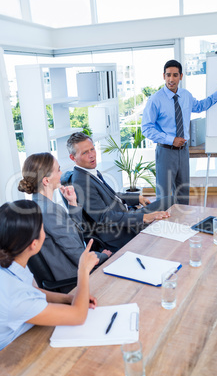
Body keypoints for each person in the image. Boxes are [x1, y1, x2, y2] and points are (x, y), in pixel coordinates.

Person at [0, 199, 99, 350]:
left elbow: (28, 291)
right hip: (14, 357)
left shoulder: (8, 268)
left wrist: (67, 298)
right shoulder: (15, 297)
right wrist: (83, 270)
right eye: (42, 228)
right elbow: (78, 316)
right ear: (34, 244)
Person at [18, 153, 111, 292]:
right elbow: (77, 254)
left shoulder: (39, 206)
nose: (61, 173)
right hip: (74, 280)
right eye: (58, 170)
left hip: (68, 274)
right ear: (46, 181)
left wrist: (72, 203)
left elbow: (73, 233)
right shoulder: (49, 211)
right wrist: (103, 256)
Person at [65, 132, 174, 252]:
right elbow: (104, 217)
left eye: (92, 149)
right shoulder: (82, 181)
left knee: (170, 202)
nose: (92, 155)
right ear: (73, 157)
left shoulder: (88, 172)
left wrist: (137, 198)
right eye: (85, 152)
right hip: (120, 230)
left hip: (126, 216)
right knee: (170, 204)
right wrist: (143, 217)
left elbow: (111, 195)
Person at [141, 59, 217, 205]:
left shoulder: (186, 95)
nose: (171, 79)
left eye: (175, 75)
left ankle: (182, 225)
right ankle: (163, 226)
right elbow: (146, 128)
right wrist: (171, 139)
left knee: (183, 193)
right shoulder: (155, 100)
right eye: (168, 75)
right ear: (163, 76)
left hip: (183, 151)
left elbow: (200, 106)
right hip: (165, 151)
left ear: (181, 76)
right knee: (164, 194)